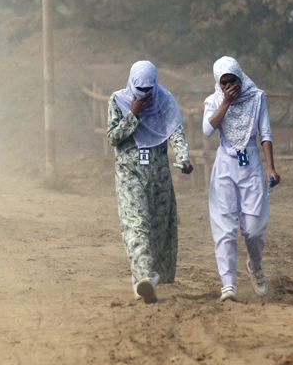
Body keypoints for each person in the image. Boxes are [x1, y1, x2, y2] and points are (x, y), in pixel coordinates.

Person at [107, 61, 193, 303]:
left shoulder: (164, 101)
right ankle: (144, 276)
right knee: (137, 224)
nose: (144, 94)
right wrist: (132, 113)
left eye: (148, 89)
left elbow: (175, 130)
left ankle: (146, 279)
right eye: (139, 88)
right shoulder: (117, 101)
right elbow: (113, 137)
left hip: (158, 176)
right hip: (129, 173)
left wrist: (184, 157)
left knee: (156, 228)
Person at [203, 56, 280, 302]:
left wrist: (271, 168)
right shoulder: (214, 100)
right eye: (223, 82)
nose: (228, 86)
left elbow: (265, 133)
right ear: (218, 83)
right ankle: (228, 284)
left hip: (252, 167)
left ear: (240, 77)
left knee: (254, 229)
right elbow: (207, 129)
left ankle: (255, 266)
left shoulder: (257, 98)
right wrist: (225, 101)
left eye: (232, 81)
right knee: (225, 228)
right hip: (225, 167)